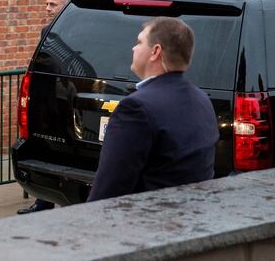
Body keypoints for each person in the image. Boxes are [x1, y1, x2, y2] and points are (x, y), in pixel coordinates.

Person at [87, 17, 219, 201]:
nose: (134, 48)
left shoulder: (136, 107)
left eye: (139, 42)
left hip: (147, 222)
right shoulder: (201, 99)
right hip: (192, 218)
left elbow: (110, 188)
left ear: (155, 51)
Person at [17, 0, 69, 214]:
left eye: (53, 5)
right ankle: (43, 201)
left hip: (66, 98)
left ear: (66, 6)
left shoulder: (75, 31)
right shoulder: (47, 31)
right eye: (47, 4)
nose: (47, 9)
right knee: (44, 150)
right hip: (46, 101)